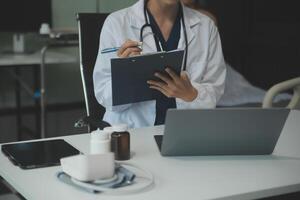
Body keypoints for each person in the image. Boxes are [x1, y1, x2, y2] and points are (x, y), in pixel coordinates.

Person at [93, 0, 226, 128]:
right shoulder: (116, 23)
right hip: (132, 133)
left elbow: (215, 88)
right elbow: (104, 95)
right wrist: (125, 75)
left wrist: (191, 95)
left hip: (186, 131)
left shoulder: (206, 27)